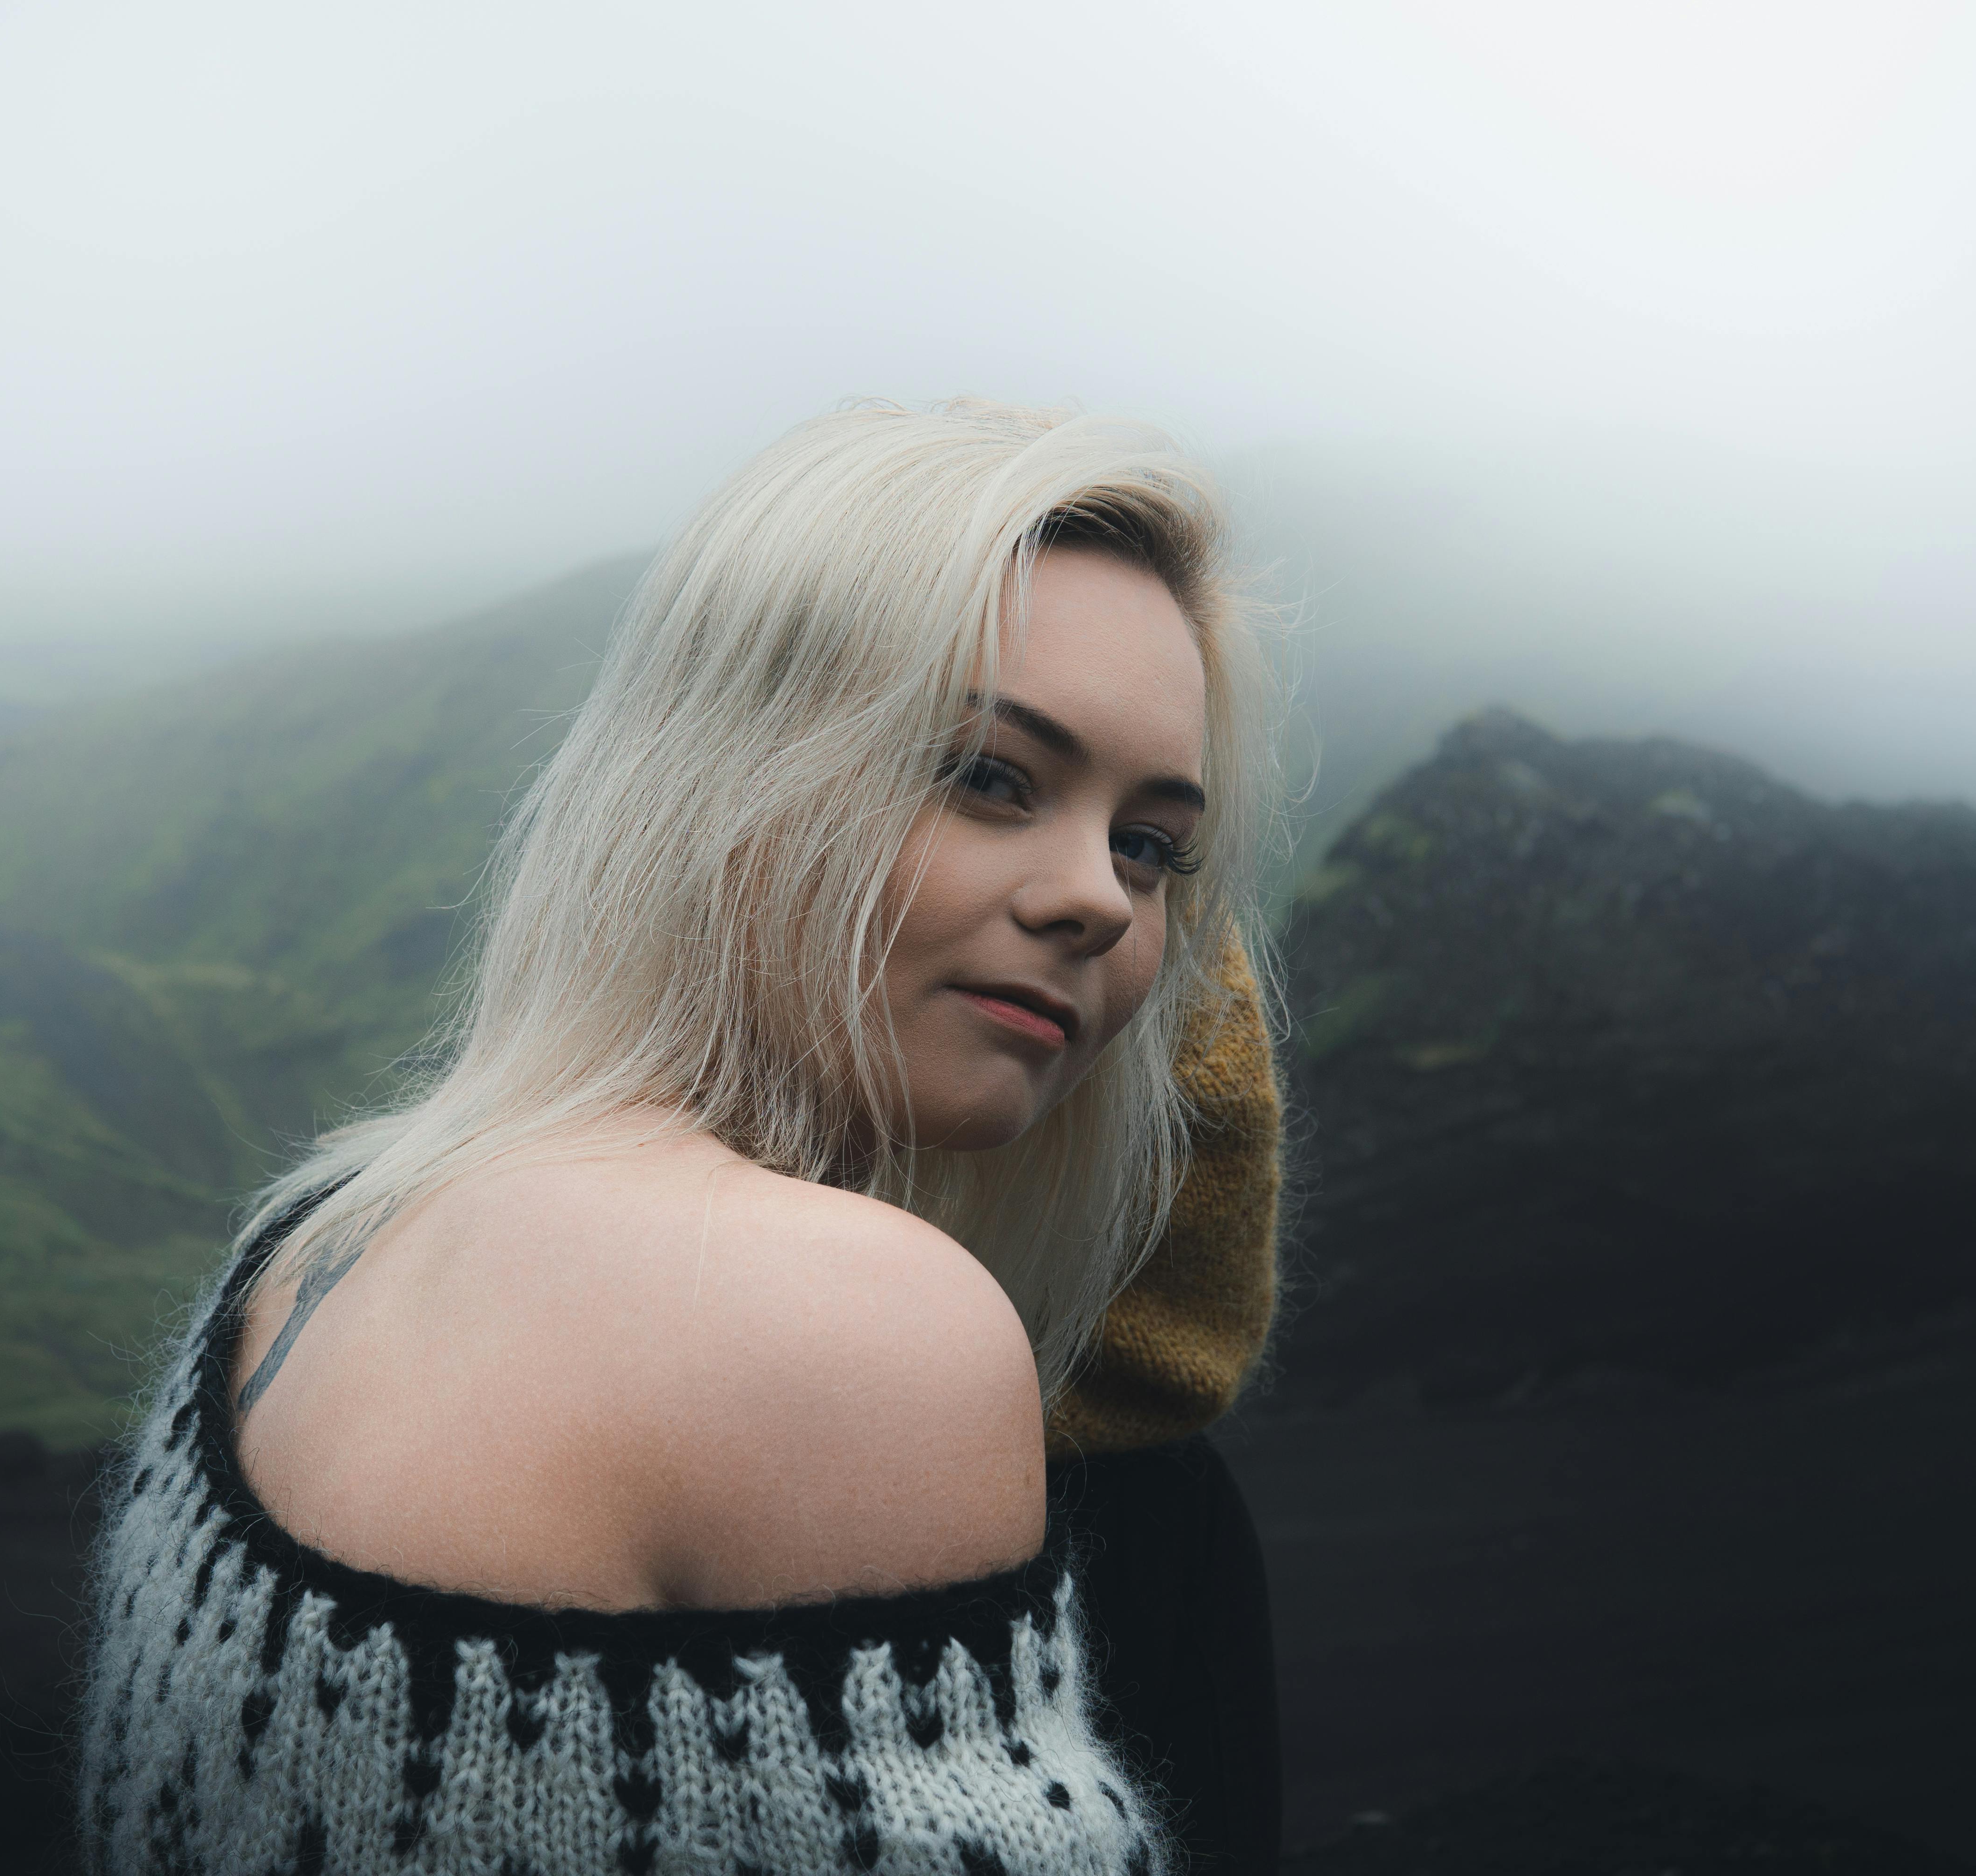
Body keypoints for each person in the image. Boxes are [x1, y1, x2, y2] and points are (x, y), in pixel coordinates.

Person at [78, 399, 1287, 1876]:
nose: (1101, 899)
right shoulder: (841, 1320)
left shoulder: (316, 1239)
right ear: (728, 782)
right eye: (985, 773)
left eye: (1152, 845)